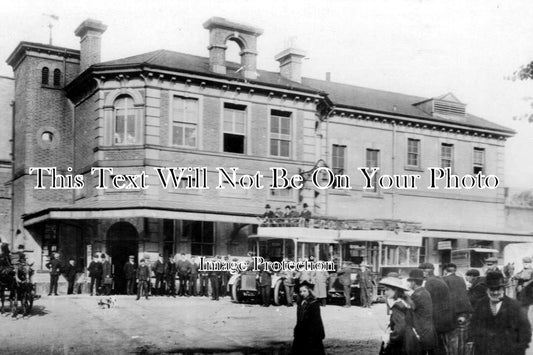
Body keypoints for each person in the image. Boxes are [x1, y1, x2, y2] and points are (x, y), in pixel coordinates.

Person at [469, 271, 531, 355]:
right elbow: (473, 328)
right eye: (492, 289)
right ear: (487, 289)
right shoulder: (480, 305)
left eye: (498, 289)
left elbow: (525, 333)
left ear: (503, 289)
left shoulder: (515, 306)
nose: (495, 293)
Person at [419, 263, 454, 355]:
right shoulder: (439, 279)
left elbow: (426, 301)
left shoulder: (430, 282)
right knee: (440, 344)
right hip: (443, 317)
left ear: (425, 272)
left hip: (436, 319)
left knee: (435, 346)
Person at [379, 276, 420, 355]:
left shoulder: (397, 306)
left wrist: (390, 338)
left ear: (395, 290)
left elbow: (400, 329)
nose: (385, 292)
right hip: (410, 339)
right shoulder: (406, 302)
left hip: (402, 342)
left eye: (387, 290)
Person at [443, 262, 473, 353]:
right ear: (455, 270)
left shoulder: (444, 279)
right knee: (463, 337)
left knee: (452, 338)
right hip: (466, 310)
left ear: (445, 271)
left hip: (453, 311)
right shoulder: (461, 279)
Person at [291, 281, 325, 355]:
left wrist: (316, 333)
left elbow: (316, 320)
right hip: (301, 331)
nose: (302, 293)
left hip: (311, 333)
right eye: (300, 291)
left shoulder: (314, 303)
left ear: (309, 291)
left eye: (304, 291)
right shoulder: (301, 302)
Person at [407, 269, 437, 354]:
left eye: (410, 281)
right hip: (428, 329)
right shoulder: (424, 292)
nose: (409, 284)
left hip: (420, 330)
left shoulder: (416, 295)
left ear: (413, 282)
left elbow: (409, 309)